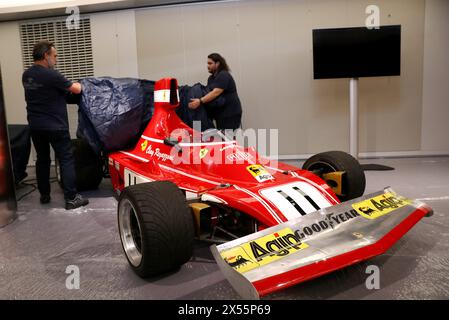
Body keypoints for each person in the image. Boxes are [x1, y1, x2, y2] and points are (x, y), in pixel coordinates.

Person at [22, 40, 89, 210]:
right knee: (66, 159)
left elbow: (47, 93)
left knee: (42, 160)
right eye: (55, 56)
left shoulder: (27, 75)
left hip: (36, 126)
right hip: (55, 126)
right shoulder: (52, 75)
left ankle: (45, 195)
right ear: (46, 56)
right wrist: (87, 84)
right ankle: (72, 198)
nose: (56, 59)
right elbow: (77, 89)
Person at [188, 53, 242, 131]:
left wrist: (200, 101)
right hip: (221, 114)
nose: (208, 66)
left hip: (230, 114)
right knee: (223, 138)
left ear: (217, 64)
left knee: (228, 138)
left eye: (210, 63)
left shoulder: (224, 75)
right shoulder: (211, 78)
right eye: (207, 63)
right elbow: (208, 92)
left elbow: (216, 92)